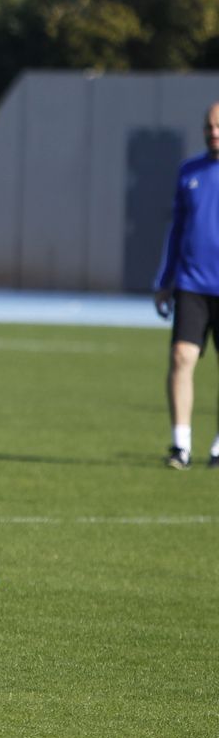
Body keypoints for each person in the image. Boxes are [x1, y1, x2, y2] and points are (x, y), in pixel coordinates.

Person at [153, 101, 219, 470]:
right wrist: (165, 280)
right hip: (192, 283)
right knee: (181, 356)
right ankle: (181, 445)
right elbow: (177, 229)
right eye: (209, 126)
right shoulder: (189, 171)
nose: (214, 133)